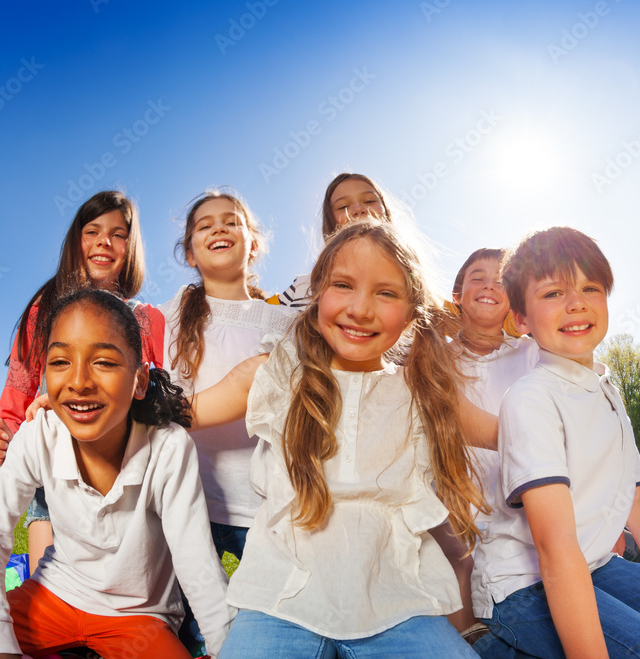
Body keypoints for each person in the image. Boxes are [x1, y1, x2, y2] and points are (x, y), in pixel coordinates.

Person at [188, 220, 497, 657]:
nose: (360, 309)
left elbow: (514, 434)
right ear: (317, 297)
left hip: (397, 600)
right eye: (343, 286)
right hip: (280, 596)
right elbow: (182, 412)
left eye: (385, 293)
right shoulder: (275, 373)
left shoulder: (422, 392)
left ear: (411, 312)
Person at [0, 289, 232, 659]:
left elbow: (198, 564)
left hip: (137, 618)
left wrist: (224, 650)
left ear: (139, 381)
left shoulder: (169, 448)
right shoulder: (40, 432)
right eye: (60, 362)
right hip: (57, 595)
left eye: (103, 362)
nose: (78, 381)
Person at [472, 227, 640, 659]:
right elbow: (554, 547)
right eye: (553, 293)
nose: (576, 302)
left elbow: (636, 498)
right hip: (524, 584)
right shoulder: (532, 400)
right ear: (521, 319)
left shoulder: (606, 388)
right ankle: (498, 648)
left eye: (589, 287)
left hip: (592, 565)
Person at [0, 191, 164, 573]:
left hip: (122, 485)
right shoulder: (43, 310)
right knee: (46, 591)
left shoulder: (148, 320)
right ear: (75, 241)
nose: (104, 242)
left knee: (117, 601)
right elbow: (19, 391)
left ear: (131, 248)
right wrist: (3, 438)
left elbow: (161, 404)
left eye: (118, 234)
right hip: (49, 487)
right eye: (92, 230)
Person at [160, 189, 296, 561]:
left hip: (260, 507)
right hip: (182, 501)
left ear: (253, 245)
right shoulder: (165, 317)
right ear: (190, 253)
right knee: (187, 617)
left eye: (231, 221)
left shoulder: (285, 323)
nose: (219, 229)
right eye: (205, 225)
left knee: (266, 612)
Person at [432, 248, 541, 636]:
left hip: (532, 512)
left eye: (500, 279)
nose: (490, 284)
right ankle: (470, 632)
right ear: (457, 294)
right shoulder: (435, 362)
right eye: (477, 277)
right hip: (464, 517)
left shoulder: (532, 355)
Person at [269, 172, 393, 309]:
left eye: (369, 201)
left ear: (385, 210)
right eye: (343, 206)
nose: (358, 209)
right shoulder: (302, 288)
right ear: (331, 222)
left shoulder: (410, 279)